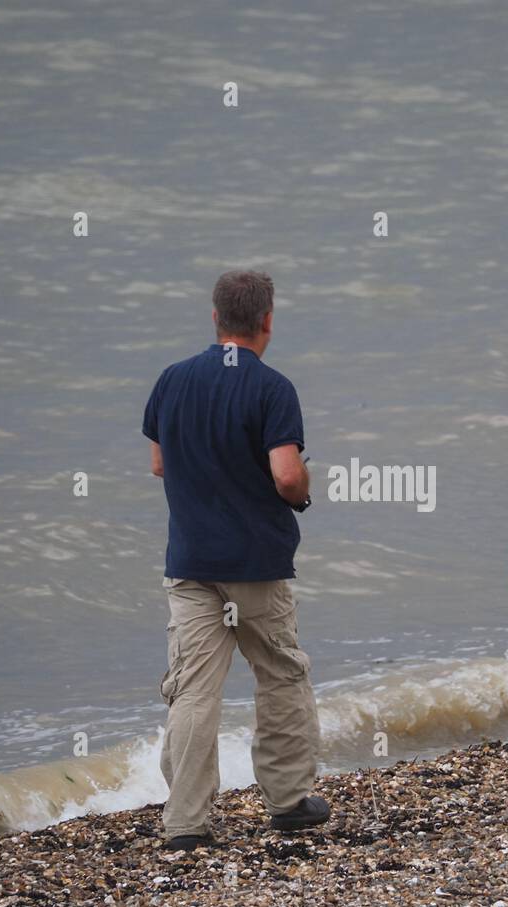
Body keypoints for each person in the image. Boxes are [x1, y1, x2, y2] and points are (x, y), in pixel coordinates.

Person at [142, 269, 329, 850]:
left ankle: (186, 822)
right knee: (280, 673)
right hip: (256, 563)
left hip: (191, 559)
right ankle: (288, 799)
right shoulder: (272, 388)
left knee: (194, 689)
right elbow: (287, 475)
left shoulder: (172, 380)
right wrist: (301, 493)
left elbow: (159, 464)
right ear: (268, 320)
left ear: (215, 317)